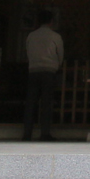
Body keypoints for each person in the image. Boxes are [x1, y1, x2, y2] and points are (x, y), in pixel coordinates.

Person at [22, 9, 64, 141]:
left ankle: (27, 133)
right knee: (46, 103)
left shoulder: (31, 35)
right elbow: (60, 54)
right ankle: (44, 133)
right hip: (49, 71)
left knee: (31, 103)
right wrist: (58, 65)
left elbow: (27, 52)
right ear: (51, 21)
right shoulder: (55, 36)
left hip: (33, 71)